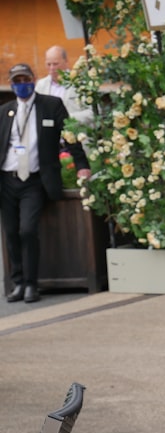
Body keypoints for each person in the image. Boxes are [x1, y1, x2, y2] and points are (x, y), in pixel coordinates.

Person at [2, 63, 90, 303]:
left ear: (34, 79)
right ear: (12, 84)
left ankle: (32, 284)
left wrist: (82, 165)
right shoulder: (5, 111)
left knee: (27, 230)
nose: (22, 85)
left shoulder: (51, 106)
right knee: (10, 233)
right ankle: (18, 282)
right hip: (7, 180)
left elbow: (70, 136)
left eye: (25, 79)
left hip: (34, 179)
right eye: (17, 81)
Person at [33, 45, 94, 126]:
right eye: (48, 64)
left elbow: (93, 112)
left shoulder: (80, 83)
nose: (52, 68)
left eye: (55, 64)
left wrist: (67, 118)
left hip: (76, 133)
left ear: (66, 62)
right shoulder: (41, 85)